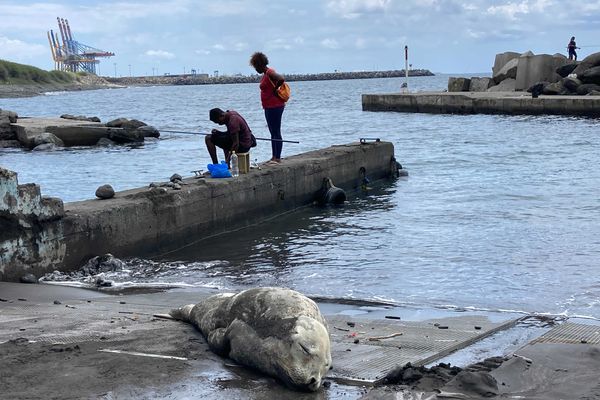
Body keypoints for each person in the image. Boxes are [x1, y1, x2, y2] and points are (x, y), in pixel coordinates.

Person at [249, 51, 286, 164]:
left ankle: (277, 157)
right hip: (269, 106)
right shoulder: (266, 74)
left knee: (276, 131)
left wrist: (275, 90)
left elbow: (281, 78)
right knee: (272, 131)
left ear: (259, 65)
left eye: (255, 66)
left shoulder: (269, 72)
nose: (255, 69)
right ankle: (274, 156)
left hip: (274, 106)